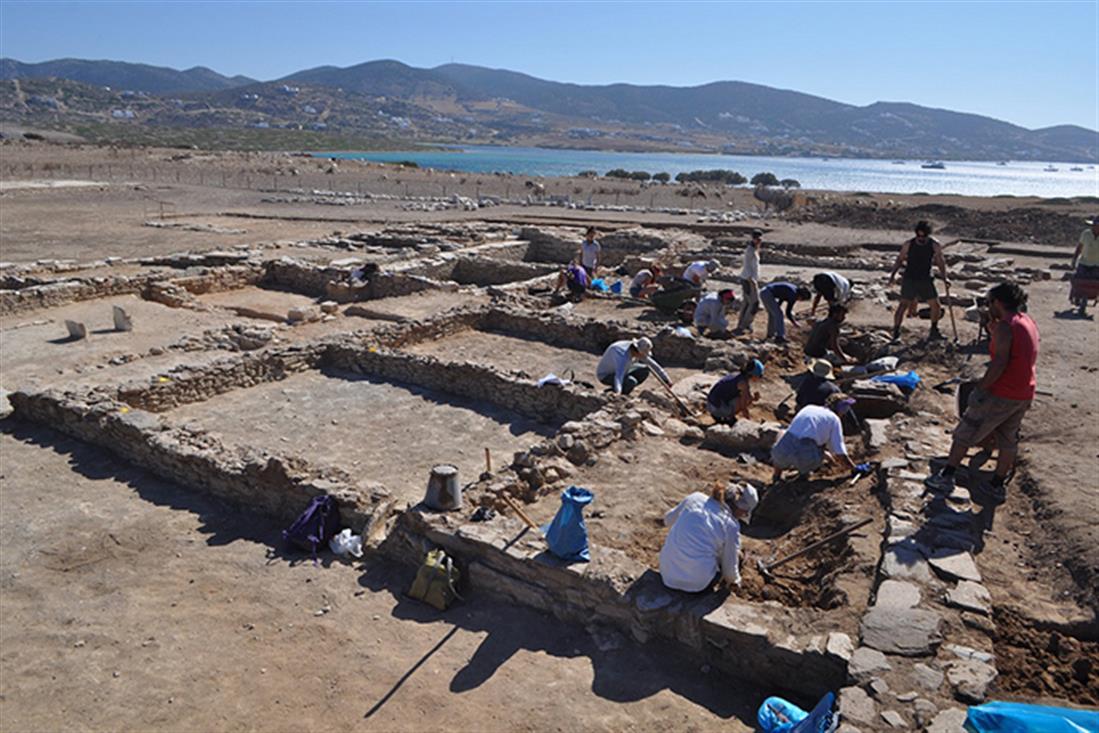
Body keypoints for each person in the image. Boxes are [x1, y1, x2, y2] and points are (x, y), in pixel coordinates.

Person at [925, 282, 1039, 502]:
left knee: (965, 432)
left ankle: (947, 476)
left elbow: (999, 363)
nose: (988, 308)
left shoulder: (1006, 327)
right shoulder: (1026, 321)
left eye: (989, 303)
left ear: (997, 302)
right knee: (1007, 439)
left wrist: (981, 388)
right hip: (1023, 391)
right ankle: (997, 485)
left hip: (1002, 392)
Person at [659, 482, 758, 592]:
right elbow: (729, 571)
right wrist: (736, 581)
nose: (741, 517)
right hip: (697, 584)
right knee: (728, 553)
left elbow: (668, 520)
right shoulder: (730, 525)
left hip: (667, 574)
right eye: (744, 513)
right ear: (741, 508)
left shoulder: (695, 498)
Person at [771, 393, 861, 482]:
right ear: (840, 409)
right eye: (845, 409)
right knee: (815, 448)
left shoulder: (809, 408)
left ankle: (776, 476)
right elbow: (839, 452)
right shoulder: (834, 420)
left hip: (781, 453)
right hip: (805, 459)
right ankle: (803, 476)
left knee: (782, 433)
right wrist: (854, 468)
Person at [889, 220, 950, 341]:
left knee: (936, 306)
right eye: (919, 235)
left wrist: (945, 277)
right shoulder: (909, 244)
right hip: (910, 278)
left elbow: (940, 261)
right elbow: (900, 259)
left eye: (923, 236)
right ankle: (896, 332)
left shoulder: (934, 244)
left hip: (925, 279)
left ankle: (934, 330)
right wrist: (892, 275)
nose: (921, 238)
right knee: (903, 305)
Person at [596, 336, 672, 395]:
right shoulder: (622, 356)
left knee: (645, 369)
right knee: (631, 381)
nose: (643, 356)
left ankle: (624, 387)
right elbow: (619, 375)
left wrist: (666, 380)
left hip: (624, 370)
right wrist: (618, 391)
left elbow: (652, 364)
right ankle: (620, 392)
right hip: (606, 375)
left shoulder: (633, 349)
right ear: (637, 351)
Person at [706, 359, 764, 424]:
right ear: (754, 374)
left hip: (711, 404)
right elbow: (743, 406)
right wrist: (749, 424)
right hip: (716, 408)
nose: (760, 378)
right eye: (760, 375)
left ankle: (725, 415)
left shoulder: (738, 376)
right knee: (745, 400)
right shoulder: (743, 384)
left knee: (746, 398)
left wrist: (753, 398)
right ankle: (726, 418)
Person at [734, 230, 762, 333]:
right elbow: (750, 267)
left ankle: (743, 324)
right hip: (749, 279)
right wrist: (752, 280)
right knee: (754, 303)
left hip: (748, 278)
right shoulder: (750, 250)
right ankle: (744, 325)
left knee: (747, 302)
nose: (759, 241)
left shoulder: (754, 249)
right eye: (757, 239)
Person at [1070, 215, 1099, 313]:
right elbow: (1079, 247)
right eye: (1094, 225)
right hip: (1084, 262)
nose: (1095, 227)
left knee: (1094, 283)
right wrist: (1074, 259)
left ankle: (1089, 296)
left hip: (1096, 265)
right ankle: (1075, 294)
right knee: (1078, 280)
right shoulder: (1086, 234)